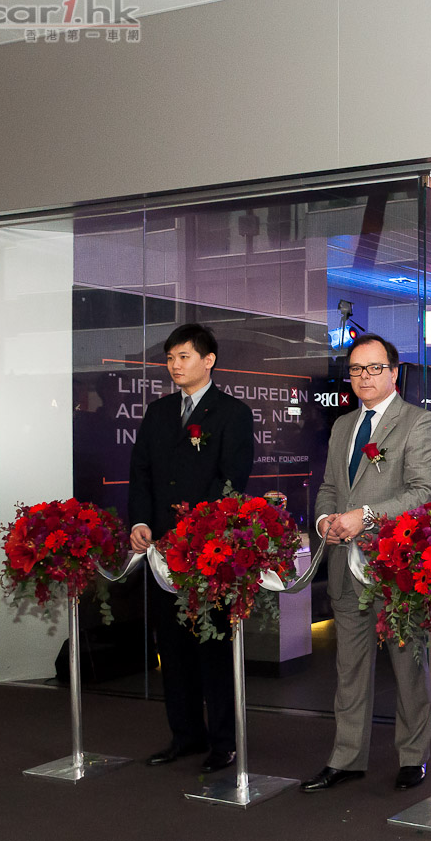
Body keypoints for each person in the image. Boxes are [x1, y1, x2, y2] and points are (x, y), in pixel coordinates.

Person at [300, 334, 431, 793]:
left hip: (395, 566)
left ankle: (413, 756)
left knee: (407, 666)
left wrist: (365, 516)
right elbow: (329, 488)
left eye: (374, 368)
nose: (364, 376)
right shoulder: (343, 426)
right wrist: (324, 520)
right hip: (345, 566)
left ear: (394, 373)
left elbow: (425, 493)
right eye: (356, 369)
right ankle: (345, 759)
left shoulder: (418, 422)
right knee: (349, 670)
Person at [129, 323, 254, 774]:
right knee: (173, 647)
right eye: (170, 358)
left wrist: (199, 531)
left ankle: (223, 741)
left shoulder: (232, 413)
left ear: (208, 360)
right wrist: (141, 522)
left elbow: (231, 481)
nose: (174, 365)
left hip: (207, 551)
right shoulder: (159, 412)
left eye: (183, 356)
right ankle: (184, 735)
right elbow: (141, 473)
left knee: (212, 646)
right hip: (162, 550)